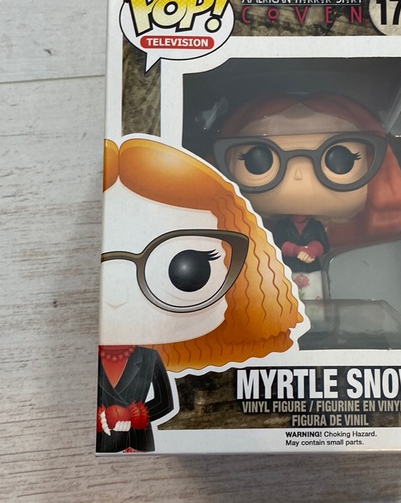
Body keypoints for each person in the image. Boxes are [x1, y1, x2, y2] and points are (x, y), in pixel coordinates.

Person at [98, 137, 303, 452]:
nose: (118, 299)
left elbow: (165, 404)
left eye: (189, 268)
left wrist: (133, 415)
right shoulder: (102, 354)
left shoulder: (155, 360)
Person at [214, 93, 401, 298]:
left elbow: (322, 243)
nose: (299, 175)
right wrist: (294, 250)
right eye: (257, 160)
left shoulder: (317, 227)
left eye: (341, 159)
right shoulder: (282, 227)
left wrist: (313, 250)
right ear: (227, 162)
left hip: (313, 269)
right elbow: (279, 243)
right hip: (284, 269)